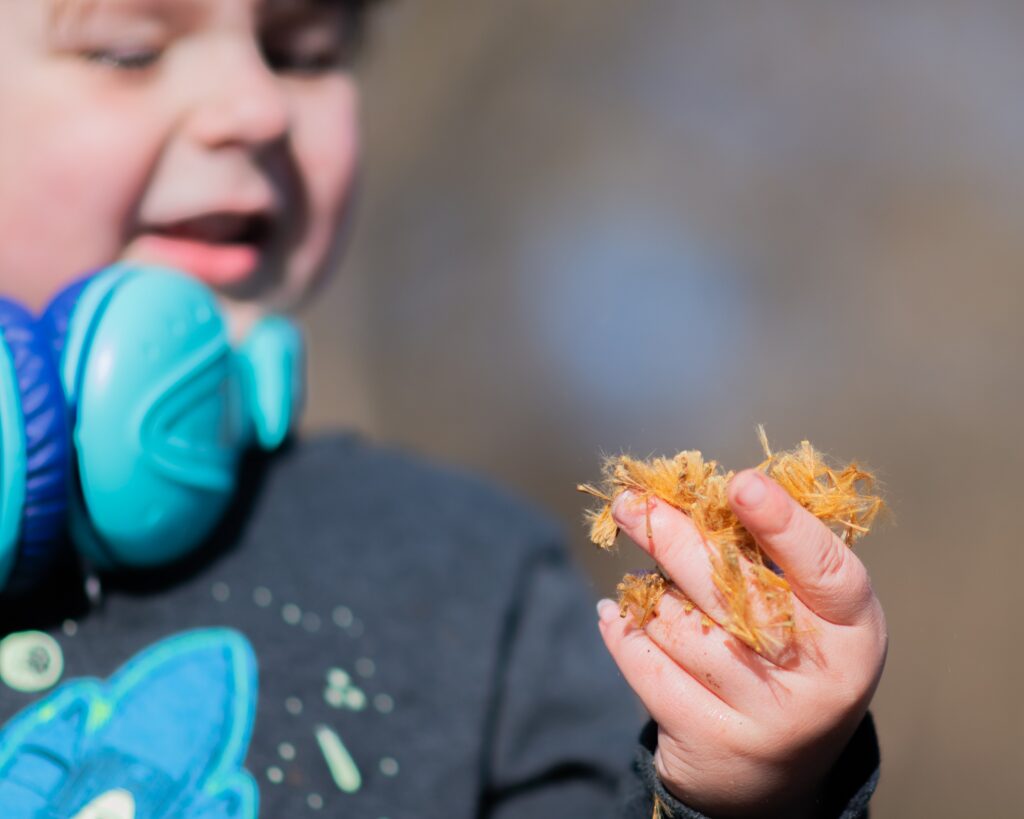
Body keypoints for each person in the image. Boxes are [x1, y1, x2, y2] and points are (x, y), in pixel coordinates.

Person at [0, 1, 886, 816]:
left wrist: (753, 789)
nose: (257, 106)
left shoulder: (466, 574)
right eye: (128, 50)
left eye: (301, 53)